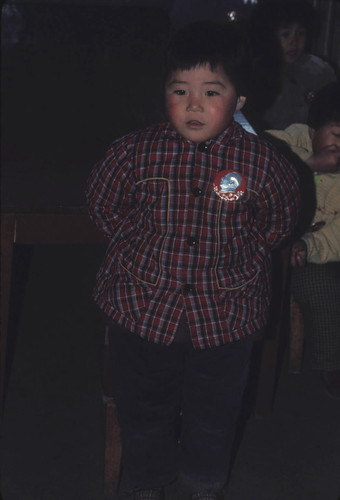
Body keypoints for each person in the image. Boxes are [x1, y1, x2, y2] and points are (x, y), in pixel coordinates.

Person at [86, 21, 300, 500]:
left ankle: (205, 484)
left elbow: (279, 223)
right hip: (141, 310)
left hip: (224, 317)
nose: (195, 104)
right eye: (180, 90)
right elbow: (103, 204)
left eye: (212, 91)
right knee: (142, 409)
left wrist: (241, 257)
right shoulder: (133, 153)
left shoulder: (264, 163)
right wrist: (134, 246)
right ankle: (147, 482)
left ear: (240, 100)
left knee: (215, 413)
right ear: (164, 92)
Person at [266, 81, 340, 399]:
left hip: (311, 253)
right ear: (313, 129)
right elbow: (257, 173)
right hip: (264, 244)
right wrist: (307, 167)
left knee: (321, 282)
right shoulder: (285, 142)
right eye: (337, 134)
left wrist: (309, 246)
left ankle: (330, 361)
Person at [245, 0, 336, 131]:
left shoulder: (321, 70)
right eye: (286, 34)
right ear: (269, 36)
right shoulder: (257, 71)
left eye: (300, 33)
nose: (294, 42)